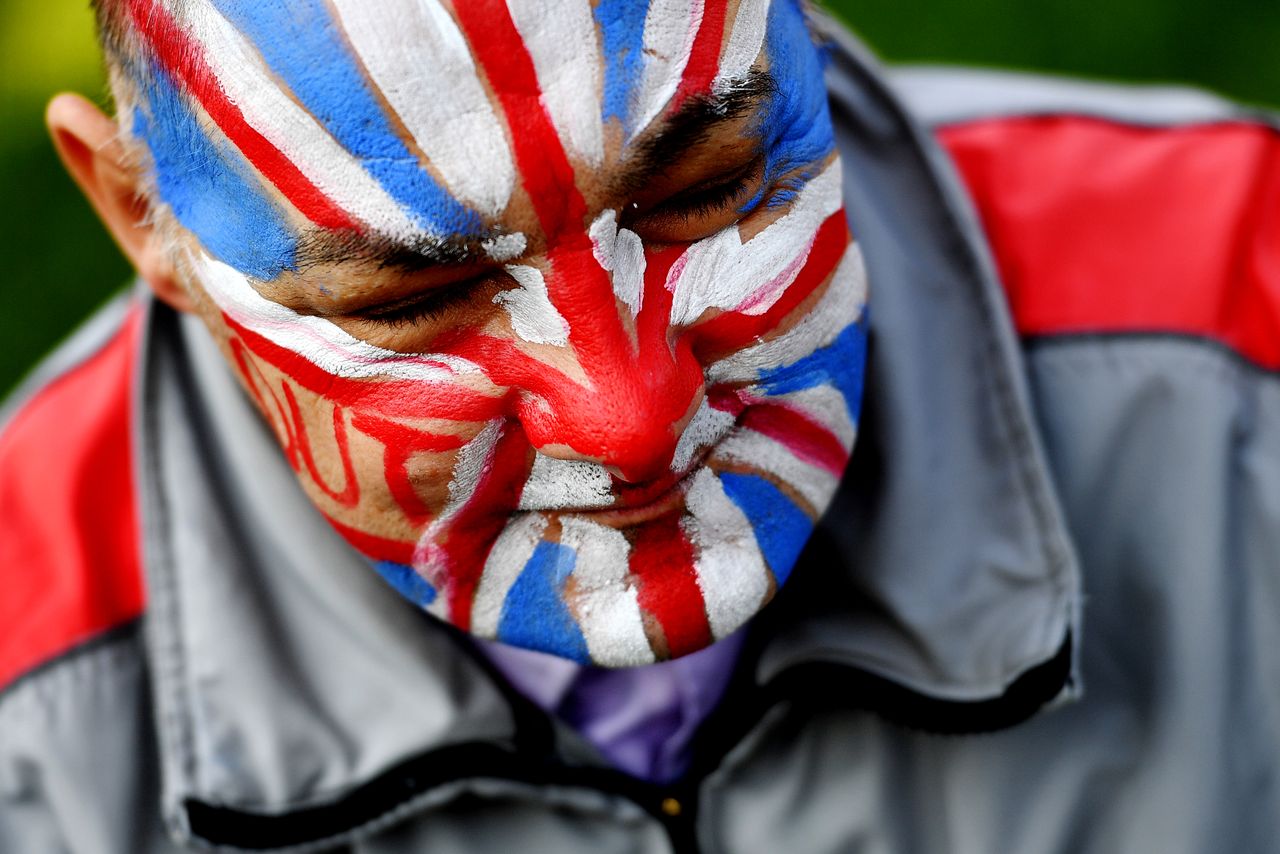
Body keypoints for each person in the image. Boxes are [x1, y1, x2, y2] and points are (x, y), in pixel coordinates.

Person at [1, 1, 1276, 851]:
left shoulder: (1242, 324)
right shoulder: (30, 722)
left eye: (703, 188)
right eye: (419, 294)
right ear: (137, 213)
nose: (628, 420)